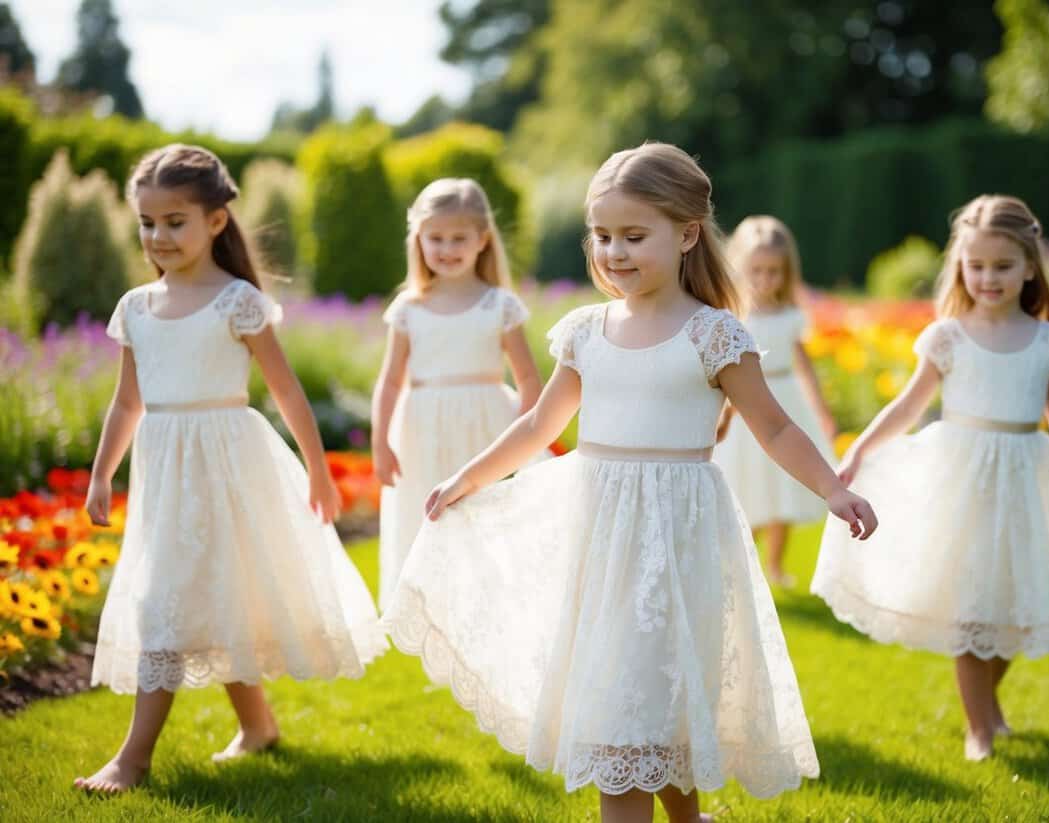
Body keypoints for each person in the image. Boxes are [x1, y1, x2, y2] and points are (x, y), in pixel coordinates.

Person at [381, 143, 877, 823]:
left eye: (634, 236)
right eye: (604, 235)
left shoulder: (714, 335)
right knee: (626, 702)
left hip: (677, 538)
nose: (614, 252)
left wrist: (833, 488)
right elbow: (535, 425)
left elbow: (777, 428)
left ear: (687, 234)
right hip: (601, 540)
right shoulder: (587, 331)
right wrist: (467, 477)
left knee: (649, 699)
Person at [75, 144, 386, 793]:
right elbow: (128, 400)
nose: (158, 236)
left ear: (216, 220)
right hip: (166, 469)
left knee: (192, 598)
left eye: (175, 221)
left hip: (228, 466)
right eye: (148, 222)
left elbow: (288, 391)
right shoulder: (136, 307)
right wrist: (103, 471)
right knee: (185, 595)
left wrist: (320, 472)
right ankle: (259, 725)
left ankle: (132, 759)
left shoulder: (236, 301)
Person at [811, 194, 1049, 762]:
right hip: (963, 484)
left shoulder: (1046, 341)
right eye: (976, 266)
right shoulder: (950, 337)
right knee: (973, 609)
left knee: (1016, 605)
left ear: (1028, 268)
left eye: (1002, 266)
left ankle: (990, 707)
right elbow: (907, 405)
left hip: (1025, 480)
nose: (988, 278)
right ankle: (979, 729)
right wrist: (861, 449)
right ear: (960, 268)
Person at [371, 178, 541, 606]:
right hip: (422, 431)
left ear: (482, 240)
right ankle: (441, 628)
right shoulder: (409, 309)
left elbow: (528, 378)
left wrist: (529, 438)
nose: (447, 249)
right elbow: (390, 379)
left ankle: (494, 615)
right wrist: (379, 442)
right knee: (429, 522)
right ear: (419, 240)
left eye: (458, 238)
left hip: (487, 425)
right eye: (436, 238)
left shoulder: (499, 305)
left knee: (489, 524)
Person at [714, 216, 837, 587]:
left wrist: (821, 409)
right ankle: (741, 563)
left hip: (785, 400)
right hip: (747, 405)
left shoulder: (790, 316)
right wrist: (724, 414)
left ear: (786, 273)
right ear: (740, 269)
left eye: (774, 272)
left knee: (783, 487)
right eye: (757, 271)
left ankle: (776, 566)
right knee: (749, 489)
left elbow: (804, 365)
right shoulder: (735, 316)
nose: (765, 280)